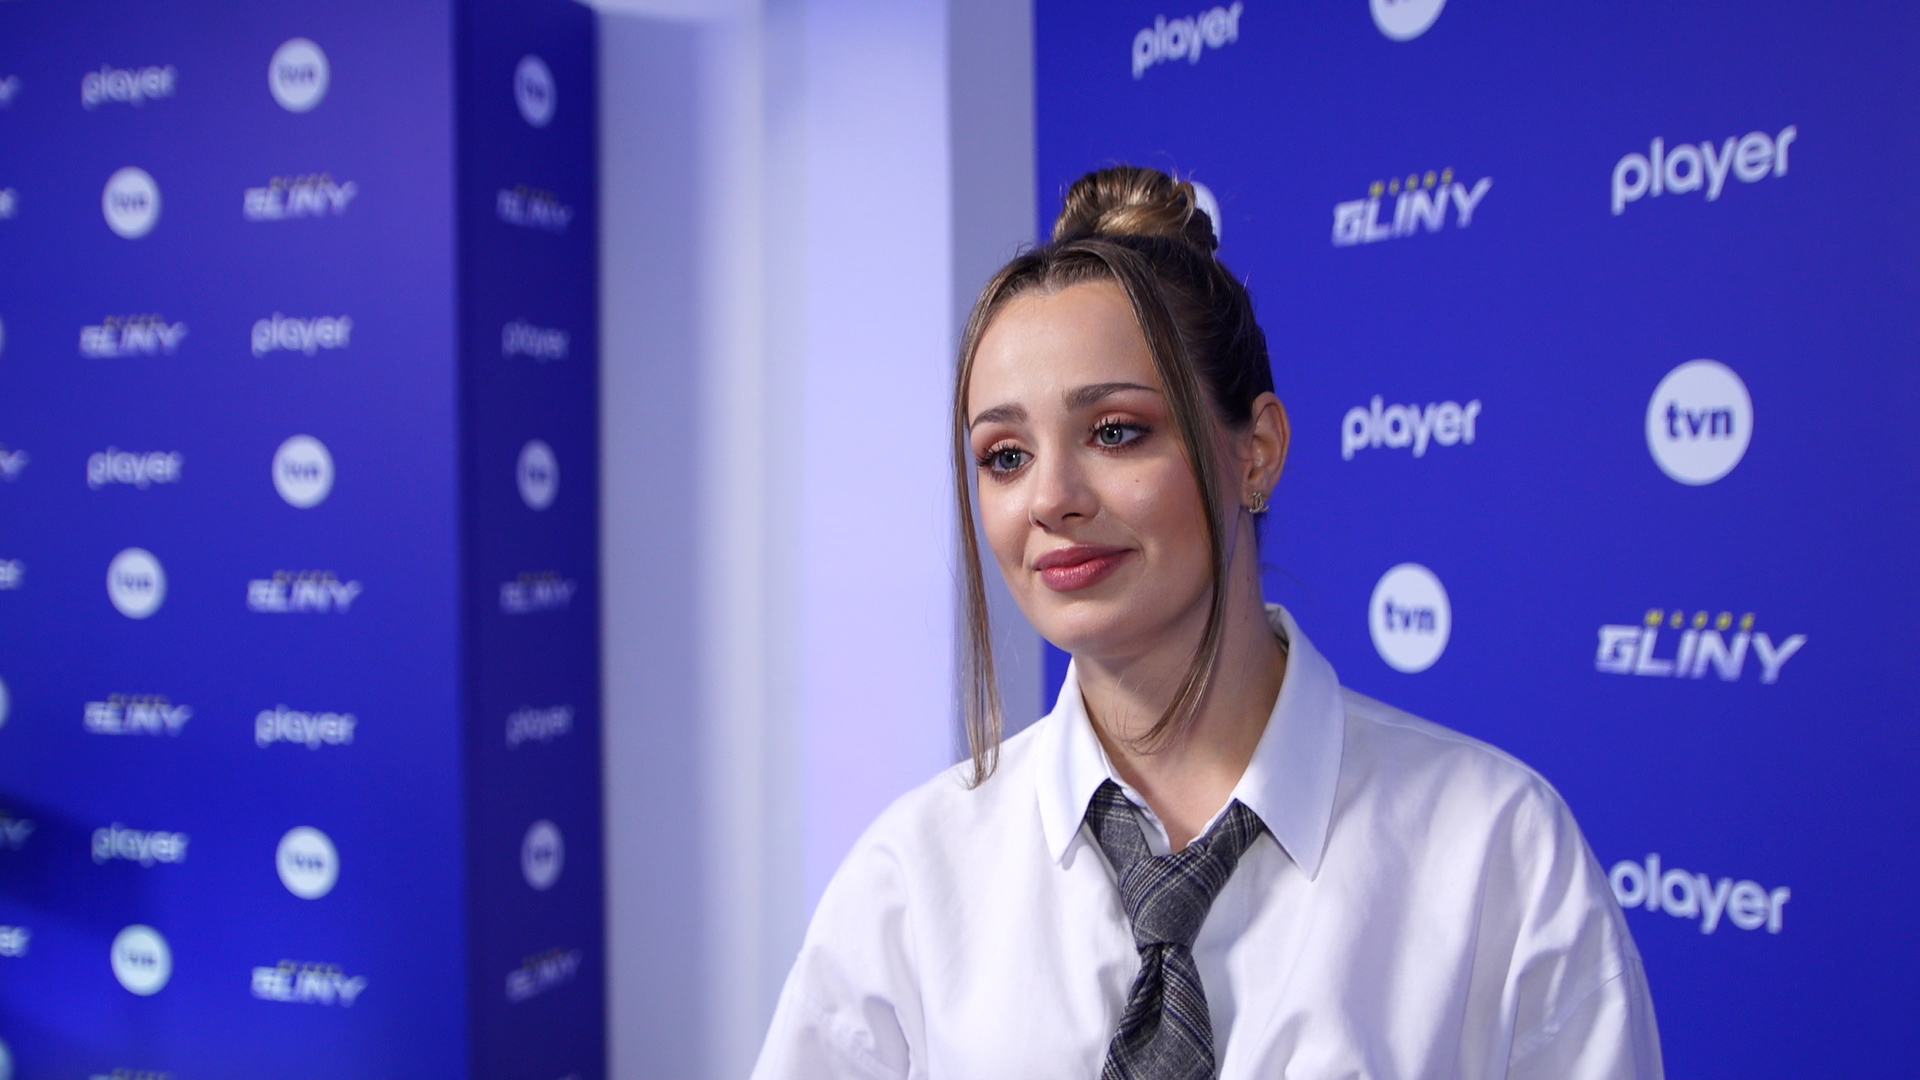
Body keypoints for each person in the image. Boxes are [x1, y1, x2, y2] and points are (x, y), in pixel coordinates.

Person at [751, 165, 1662, 1079]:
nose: (1051, 499)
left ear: (1256, 453)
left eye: (1115, 431)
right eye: (1006, 455)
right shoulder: (910, 880)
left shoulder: (1499, 851)